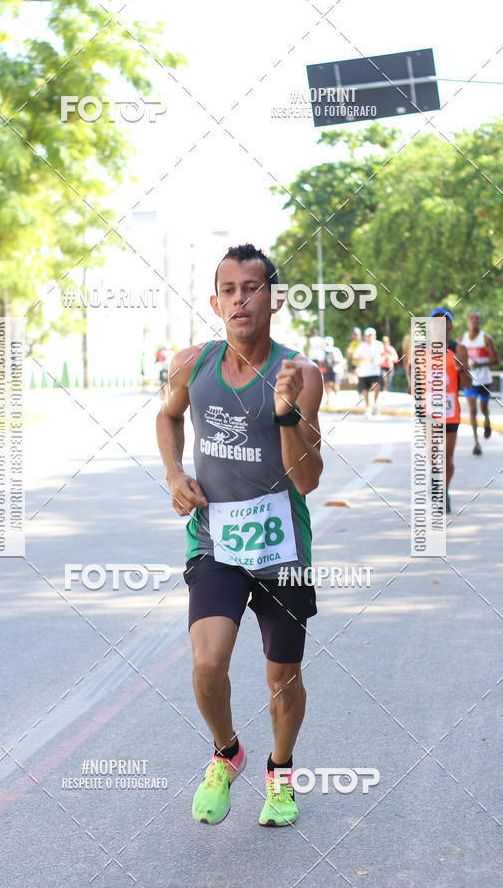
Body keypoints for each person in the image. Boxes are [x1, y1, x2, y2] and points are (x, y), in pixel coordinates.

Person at [156, 243, 323, 828]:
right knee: (207, 663)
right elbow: (167, 415)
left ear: (274, 299)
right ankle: (227, 753)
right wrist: (174, 473)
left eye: (252, 288)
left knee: (282, 676)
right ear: (214, 302)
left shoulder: (301, 374)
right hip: (216, 542)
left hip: (282, 548)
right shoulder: (191, 365)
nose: (240, 299)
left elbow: (308, 478)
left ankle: (280, 769)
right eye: (229, 290)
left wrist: (285, 415)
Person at [409, 308, 471, 513]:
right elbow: (413, 382)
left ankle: (444, 492)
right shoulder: (420, 351)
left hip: (450, 411)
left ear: (450, 326)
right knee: (434, 453)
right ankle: (436, 476)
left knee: (448, 457)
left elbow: (468, 384)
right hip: (428, 411)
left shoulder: (458, 349)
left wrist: (460, 369)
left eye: (444, 322)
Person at [460, 311, 500, 456]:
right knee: (472, 410)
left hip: (484, 380)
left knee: (483, 409)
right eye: (472, 318)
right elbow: (455, 357)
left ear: (480, 321)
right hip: (469, 381)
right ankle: (476, 443)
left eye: (477, 318)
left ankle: (487, 420)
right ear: (468, 321)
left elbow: (496, 360)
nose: (474, 321)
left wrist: (480, 364)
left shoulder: (486, 338)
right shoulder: (462, 339)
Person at [353, 327, 384, 415]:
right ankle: (368, 407)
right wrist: (361, 359)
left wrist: (380, 361)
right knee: (365, 390)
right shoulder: (361, 346)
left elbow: (383, 356)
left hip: (375, 371)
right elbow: (355, 359)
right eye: (368, 336)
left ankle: (375, 404)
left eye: (371, 335)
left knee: (377, 387)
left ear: (374, 336)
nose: (370, 337)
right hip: (364, 372)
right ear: (365, 336)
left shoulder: (379, 345)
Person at [321, 336, 344, 405]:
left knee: (333, 384)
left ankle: (334, 398)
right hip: (331, 369)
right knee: (330, 384)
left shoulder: (334, 350)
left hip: (333, 369)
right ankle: (331, 399)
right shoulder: (335, 350)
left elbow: (339, 361)